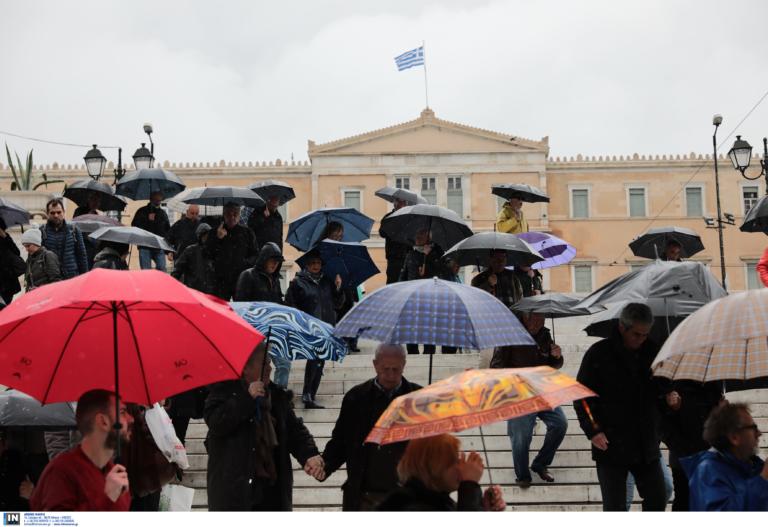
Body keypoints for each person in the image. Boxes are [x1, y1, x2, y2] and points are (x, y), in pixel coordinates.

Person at [204, 342, 324, 511]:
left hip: (271, 491)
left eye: (269, 362)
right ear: (246, 368)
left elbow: (294, 430)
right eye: (264, 363)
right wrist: (246, 398)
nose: (269, 368)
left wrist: (309, 454)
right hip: (234, 492)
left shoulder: (276, 396)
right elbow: (217, 423)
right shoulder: (223, 391)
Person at [573, 303, 667, 511]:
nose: (641, 340)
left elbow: (662, 390)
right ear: (622, 328)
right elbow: (581, 397)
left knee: (658, 498)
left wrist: (669, 398)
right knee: (614, 507)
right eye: (636, 334)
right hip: (610, 444)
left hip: (646, 445)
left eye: (645, 335)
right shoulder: (599, 353)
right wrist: (593, 430)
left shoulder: (653, 352)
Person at [320, 344, 422, 510]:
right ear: (375, 365)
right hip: (364, 494)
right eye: (385, 369)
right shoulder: (356, 397)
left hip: (407, 496)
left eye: (396, 369)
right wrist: (325, 465)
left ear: (404, 364)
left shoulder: (418, 397)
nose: (390, 375)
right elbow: (341, 440)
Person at [490, 311, 567, 487]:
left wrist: (557, 357)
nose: (540, 322)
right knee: (521, 436)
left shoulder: (544, 334)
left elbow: (552, 366)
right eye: (536, 318)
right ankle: (523, 475)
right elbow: (495, 366)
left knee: (560, 424)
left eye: (542, 318)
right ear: (525, 317)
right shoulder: (509, 334)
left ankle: (540, 463)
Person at [30, 389, 133, 511]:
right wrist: (108, 499)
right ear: (103, 421)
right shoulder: (61, 473)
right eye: (122, 412)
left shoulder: (114, 473)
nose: (131, 419)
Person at [376, 434, 506, 512]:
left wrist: (481, 507)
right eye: (454, 461)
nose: (461, 466)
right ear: (435, 466)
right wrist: (470, 486)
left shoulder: (435, 499)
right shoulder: (414, 507)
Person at [682, 402, 768, 511]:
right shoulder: (708, 472)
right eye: (753, 428)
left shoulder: (752, 465)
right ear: (734, 437)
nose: (759, 433)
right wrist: (763, 480)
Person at [285, 250, 343, 409]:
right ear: (307, 265)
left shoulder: (327, 282)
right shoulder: (298, 282)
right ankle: (307, 394)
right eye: (312, 263)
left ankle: (311, 394)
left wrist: (338, 288)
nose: (316, 266)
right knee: (314, 357)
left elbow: (338, 304)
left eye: (318, 263)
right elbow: (291, 304)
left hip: (326, 325)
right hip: (309, 326)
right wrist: (299, 321)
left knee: (320, 360)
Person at [657, 380, 722, 510]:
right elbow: (662, 424)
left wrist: (722, 411)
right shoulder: (671, 384)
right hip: (684, 458)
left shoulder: (713, 385)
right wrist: (674, 409)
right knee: (684, 503)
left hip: (710, 454)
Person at [234, 241, 290, 387]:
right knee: (257, 370)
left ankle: (278, 399)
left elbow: (279, 303)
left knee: (284, 364)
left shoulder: (276, 281)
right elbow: (240, 305)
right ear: (264, 259)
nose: (275, 264)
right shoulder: (248, 276)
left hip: (274, 330)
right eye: (272, 260)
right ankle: (255, 398)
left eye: (277, 262)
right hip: (255, 331)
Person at [399, 228, 446, 355]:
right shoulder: (411, 254)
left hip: (429, 298)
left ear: (428, 238)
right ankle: (412, 354)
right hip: (412, 297)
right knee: (411, 330)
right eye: (417, 234)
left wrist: (428, 256)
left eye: (421, 234)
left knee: (428, 330)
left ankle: (428, 355)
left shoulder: (437, 254)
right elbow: (403, 275)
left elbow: (440, 273)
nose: (417, 236)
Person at [204, 202, 259, 300]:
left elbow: (255, 255)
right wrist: (218, 238)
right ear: (224, 215)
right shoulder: (214, 233)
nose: (232, 217)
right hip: (220, 281)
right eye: (229, 214)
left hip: (241, 279)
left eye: (235, 214)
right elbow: (207, 254)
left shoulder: (247, 233)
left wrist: (243, 264)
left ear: (239, 215)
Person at [40, 198, 88, 279]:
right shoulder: (41, 231)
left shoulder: (74, 230)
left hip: (71, 277)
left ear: (63, 212)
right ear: (47, 214)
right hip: (50, 278)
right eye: (52, 213)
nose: (56, 215)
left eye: (59, 212)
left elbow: (82, 256)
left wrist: (85, 278)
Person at [171, 223, 216, 295]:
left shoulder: (214, 250)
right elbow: (178, 269)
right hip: (193, 291)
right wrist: (172, 284)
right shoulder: (190, 250)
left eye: (209, 235)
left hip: (210, 292)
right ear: (200, 236)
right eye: (205, 235)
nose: (207, 238)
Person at [131, 191, 170, 271]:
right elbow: (135, 225)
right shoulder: (142, 211)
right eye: (157, 197)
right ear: (152, 199)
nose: (159, 200)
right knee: (146, 271)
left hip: (159, 245)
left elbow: (167, 230)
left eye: (160, 197)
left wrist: (168, 249)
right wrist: (147, 220)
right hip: (145, 245)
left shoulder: (162, 213)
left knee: (162, 269)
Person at [380, 198, 411, 284]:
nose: (404, 205)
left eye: (405, 202)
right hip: (393, 258)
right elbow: (382, 233)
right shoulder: (388, 217)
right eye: (402, 202)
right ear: (395, 204)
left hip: (407, 256)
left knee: (406, 283)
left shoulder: (409, 218)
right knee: (393, 282)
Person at [0, 217, 24, 304]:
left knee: (6, 306)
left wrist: (5, 237)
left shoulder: (6, 237)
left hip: (8, 281)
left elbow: (17, 252)